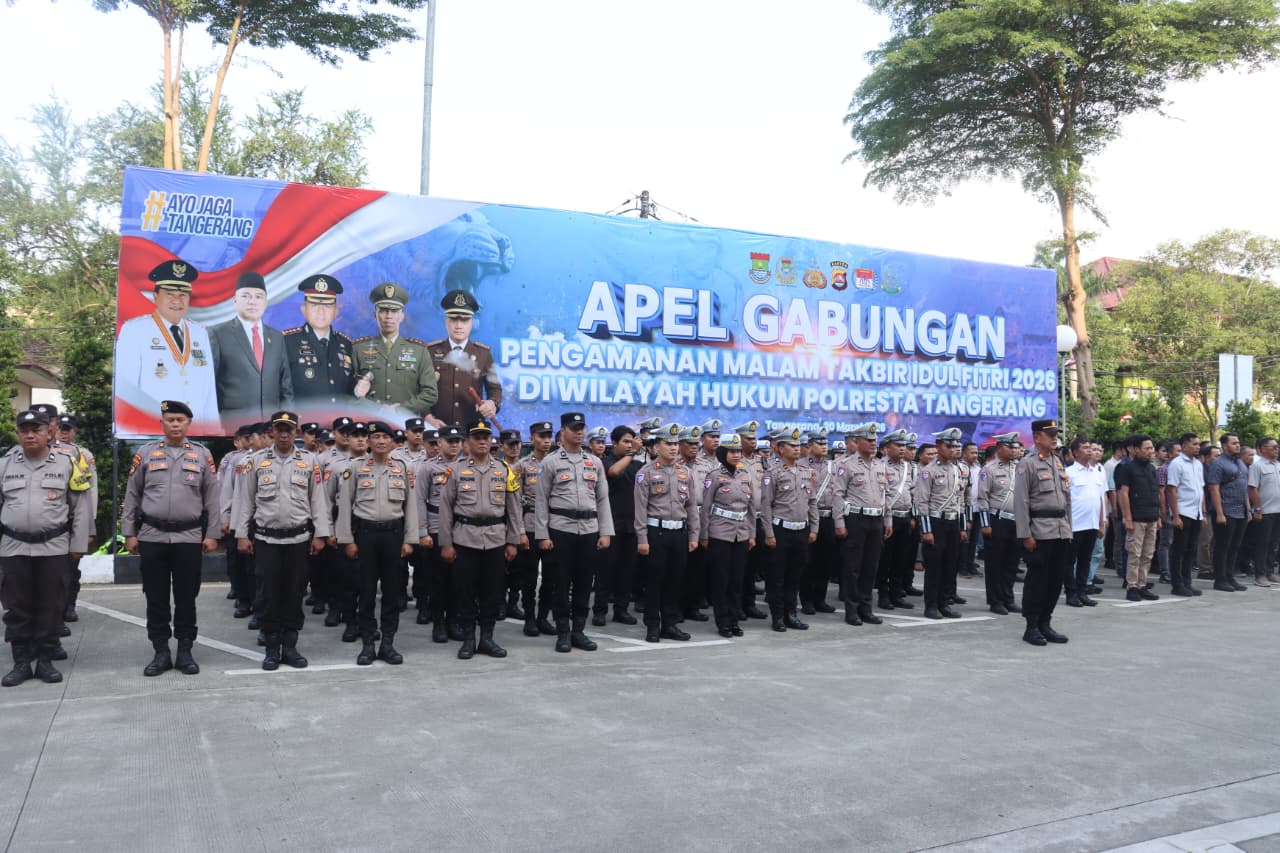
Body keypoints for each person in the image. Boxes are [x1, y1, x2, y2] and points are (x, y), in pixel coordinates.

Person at [121, 401, 221, 675]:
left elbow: (212, 498)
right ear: (161, 423)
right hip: (152, 536)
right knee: (156, 597)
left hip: (189, 537)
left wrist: (212, 534)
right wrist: (129, 532)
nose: (175, 424)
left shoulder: (202, 454)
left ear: (188, 423)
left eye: (180, 420)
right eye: (170, 420)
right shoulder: (146, 453)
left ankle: (185, 651)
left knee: (187, 596)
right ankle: (161, 652)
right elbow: (132, 494)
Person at [0, 410, 92, 686]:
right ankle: (21, 663)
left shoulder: (67, 463)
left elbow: (80, 507)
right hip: (13, 547)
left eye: (36, 430)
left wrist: (78, 544)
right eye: (24, 430)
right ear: (18, 433)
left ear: (48, 432)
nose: (30, 435)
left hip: (54, 547)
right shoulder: (4, 464)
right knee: (16, 607)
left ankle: (45, 661)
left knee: (51, 606)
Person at [233, 411, 329, 670]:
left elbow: (318, 500)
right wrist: (241, 534)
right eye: (280, 430)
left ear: (296, 432)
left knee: (294, 593)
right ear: (272, 433)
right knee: (268, 594)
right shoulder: (256, 461)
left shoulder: (309, 461)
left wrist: (321, 534)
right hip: (266, 540)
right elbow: (246, 501)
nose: (284, 435)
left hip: (298, 540)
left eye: (289, 430)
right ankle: (272, 648)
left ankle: (290, 646)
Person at [437, 419, 522, 659]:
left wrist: (513, 540)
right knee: (465, 592)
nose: (483, 441)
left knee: (492, 592)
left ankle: (487, 638)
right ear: (468, 442)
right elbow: (445, 508)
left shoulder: (504, 469)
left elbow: (514, 508)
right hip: (465, 539)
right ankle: (468, 640)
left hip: (495, 540)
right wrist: (446, 543)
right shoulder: (455, 470)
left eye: (486, 437)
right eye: (477, 437)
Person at [336, 420, 418, 665]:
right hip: (365, 536)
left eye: (385, 437)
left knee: (392, 593)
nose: (381, 441)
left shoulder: (402, 468)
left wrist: (410, 539)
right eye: (376, 437)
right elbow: (345, 506)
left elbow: (411, 506)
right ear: (369, 442)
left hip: (393, 536)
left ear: (392, 442)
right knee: (367, 592)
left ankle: (388, 644)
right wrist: (347, 540)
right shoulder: (355, 467)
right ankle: (368, 644)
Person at [533, 412, 614, 653]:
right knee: (561, 582)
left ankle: (578, 631)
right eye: (574, 428)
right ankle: (563, 632)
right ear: (563, 431)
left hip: (589, 530)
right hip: (561, 529)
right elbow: (541, 501)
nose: (579, 432)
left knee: (584, 582)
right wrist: (542, 535)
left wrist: (605, 532)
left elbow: (602, 499)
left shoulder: (594, 462)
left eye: (582, 428)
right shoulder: (551, 462)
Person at [113, 259, 219, 432]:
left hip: (195, 429)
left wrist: (213, 430)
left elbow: (209, 389)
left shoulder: (200, 333)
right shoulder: (135, 331)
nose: (177, 301)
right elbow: (126, 390)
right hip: (153, 429)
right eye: (169, 294)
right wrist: (129, 433)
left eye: (182, 295)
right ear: (155, 297)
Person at [633, 423, 700, 642]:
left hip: (679, 533)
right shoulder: (646, 472)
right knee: (655, 581)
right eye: (668, 443)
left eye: (675, 443)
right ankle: (653, 625)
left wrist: (694, 535)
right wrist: (642, 538)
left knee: (675, 580)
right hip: (656, 532)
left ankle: (670, 624)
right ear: (657, 446)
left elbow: (691, 506)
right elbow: (640, 509)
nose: (673, 448)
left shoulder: (685, 472)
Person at [209, 271, 294, 428]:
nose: (252, 301)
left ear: (265, 302)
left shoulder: (277, 337)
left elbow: (286, 386)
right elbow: (209, 386)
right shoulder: (218, 334)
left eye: (258, 297)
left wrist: (285, 423)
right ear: (235, 300)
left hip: (271, 428)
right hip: (233, 427)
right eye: (245, 296)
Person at [1013, 419, 1072, 646]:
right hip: (1039, 531)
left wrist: (1069, 529)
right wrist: (1025, 534)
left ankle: (1046, 622)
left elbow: (1066, 499)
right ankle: (1032, 626)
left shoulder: (1058, 462)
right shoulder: (1027, 464)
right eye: (1051, 434)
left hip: (1060, 530)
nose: (1055, 438)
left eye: (1056, 434)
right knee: (1037, 580)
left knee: (1055, 581)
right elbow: (1021, 502)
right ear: (1037, 437)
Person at [831, 423, 892, 627]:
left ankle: (866, 608)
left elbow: (886, 495)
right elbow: (838, 495)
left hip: (876, 520)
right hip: (856, 520)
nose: (873, 443)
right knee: (853, 567)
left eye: (875, 440)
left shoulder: (881, 465)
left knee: (870, 567)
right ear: (857, 442)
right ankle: (852, 609)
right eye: (869, 440)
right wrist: (839, 523)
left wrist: (888, 519)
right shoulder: (846, 465)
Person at [759, 427, 818, 633]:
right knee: (777, 576)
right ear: (781, 448)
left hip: (801, 530)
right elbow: (766, 505)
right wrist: (769, 533)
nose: (797, 449)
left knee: (795, 575)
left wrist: (814, 528)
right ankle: (777, 616)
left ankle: (791, 614)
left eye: (798, 445)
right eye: (792, 445)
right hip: (780, 531)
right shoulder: (772, 473)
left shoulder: (807, 472)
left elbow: (812, 502)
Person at [353, 283, 439, 420]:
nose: (389, 316)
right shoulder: (358, 349)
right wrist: (378, 410)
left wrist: (401, 409)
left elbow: (430, 394)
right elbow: (349, 393)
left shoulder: (419, 351)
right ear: (375, 315)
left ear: (402, 315)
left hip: (406, 424)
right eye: (383, 310)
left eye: (394, 311)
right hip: (370, 423)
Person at [413, 424, 466, 641]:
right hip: (435, 527)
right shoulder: (428, 468)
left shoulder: (467, 465)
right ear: (440, 443)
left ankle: (453, 621)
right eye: (449, 441)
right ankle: (438, 623)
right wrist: (422, 532)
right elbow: (419, 500)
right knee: (437, 579)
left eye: (457, 441)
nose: (454, 445)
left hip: (461, 528)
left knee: (458, 580)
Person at [700, 433, 756, 638]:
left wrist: (752, 533)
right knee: (721, 580)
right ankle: (723, 622)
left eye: (738, 451)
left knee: (737, 580)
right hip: (719, 533)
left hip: (741, 534)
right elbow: (706, 507)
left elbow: (751, 508)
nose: (736, 455)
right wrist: (704, 535)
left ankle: (734, 620)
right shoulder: (714, 476)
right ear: (723, 453)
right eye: (731, 451)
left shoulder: (745, 475)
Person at [426, 289, 501, 429]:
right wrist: (427, 417)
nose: (459, 325)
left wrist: (492, 403)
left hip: (472, 432)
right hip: (437, 430)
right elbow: (419, 390)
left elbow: (495, 389)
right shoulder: (430, 352)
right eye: (454, 319)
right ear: (446, 321)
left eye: (465, 320)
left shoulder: (483, 354)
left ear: (472, 322)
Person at [915, 428, 970, 619]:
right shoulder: (928, 471)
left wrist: (962, 526)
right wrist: (926, 530)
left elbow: (960, 500)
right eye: (949, 446)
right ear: (938, 447)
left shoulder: (957, 470)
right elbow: (922, 502)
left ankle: (944, 603)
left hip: (953, 522)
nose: (953, 449)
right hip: (936, 523)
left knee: (950, 566)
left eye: (955, 446)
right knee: (934, 567)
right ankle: (931, 606)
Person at [282, 274, 357, 405]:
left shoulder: (346, 344)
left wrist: (358, 389)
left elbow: (349, 390)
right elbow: (279, 391)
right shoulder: (286, 342)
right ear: (303, 309)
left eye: (327, 306)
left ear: (336, 311)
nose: (321, 311)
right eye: (314, 305)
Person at [52, 413, 97, 626]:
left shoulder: (82, 454)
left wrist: (89, 523)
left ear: (74, 431)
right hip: (52, 519)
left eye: (67, 429)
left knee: (71, 568)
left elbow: (91, 490)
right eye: (60, 428)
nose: (63, 432)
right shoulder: (47, 451)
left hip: (74, 520)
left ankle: (69, 605)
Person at [512, 421, 556, 637]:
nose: (546, 440)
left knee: (551, 575)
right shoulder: (521, 466)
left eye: (549, 436)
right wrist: (520, 531)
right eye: (541, 436)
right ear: (532, 438)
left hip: (552, 525)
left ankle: (543, 617)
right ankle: (529, 617)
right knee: (529, 576)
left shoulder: (557, 462)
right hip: (529, 524)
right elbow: (514, 501)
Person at [596, 425, 642, 626]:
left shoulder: (637, 465)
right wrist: (632, 454)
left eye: (632, 441)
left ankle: (621, 610)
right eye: (626, 441)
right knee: (606, 570)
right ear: (614, 443)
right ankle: (599, 610)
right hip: (610, 525)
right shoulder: (605, 461)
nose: (630, 445)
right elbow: (614, 472)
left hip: (632, 525)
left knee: (627, 571)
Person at [976, 431, 1025, 615]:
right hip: (997, 520)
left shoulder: (1020, 468)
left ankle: (1008, 598)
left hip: (1016, 521)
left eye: (1015, 447)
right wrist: (985, 524)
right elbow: (982, 498)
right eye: (1009, 447)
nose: (1013, 450)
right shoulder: (989, 469)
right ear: (999, 448)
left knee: (1012, 563)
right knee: (995, 563)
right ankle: (995, 601)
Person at [1116, 434, 1161, 601]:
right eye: (1147, 448)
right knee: (1134, 554)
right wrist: (1127, 518)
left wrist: (1158, 516)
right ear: (1135, 449)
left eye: (1152, 448)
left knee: (1148, 554)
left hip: (1151, 517)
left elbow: (1155, 493)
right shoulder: (1127, 468)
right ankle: (1132, 586)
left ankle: (1142, 585)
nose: (1151, 451)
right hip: (1136, 518)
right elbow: (1123, 493)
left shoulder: (1152, 468)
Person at [876, 429, 917, 610]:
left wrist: (913, 516)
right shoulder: (880, 466)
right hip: (888, 519)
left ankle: (896, 594)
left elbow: (913, 492)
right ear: (887, 448)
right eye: (898, 445)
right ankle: (883, 595)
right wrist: (887, 519)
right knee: (885, 559)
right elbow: (880, 494)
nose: (902, 449)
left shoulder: (909, 467)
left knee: (901, 559)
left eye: (904, 445)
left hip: (905, 517)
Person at [1063, 436, 1105, 608]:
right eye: (1085, 448)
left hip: (1092, 523)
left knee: (1085, 560)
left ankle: (1082, 592)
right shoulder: (1068, 473)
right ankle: (1071, 593)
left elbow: (1101, 499)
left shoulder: (1097, 472)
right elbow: (1064, 500)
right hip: (1075, 525)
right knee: (1069, 561)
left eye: (1090, 448)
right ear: (1075, 452)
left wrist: (1102, 522)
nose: (1089, 450)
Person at [1206, 432, 1251, 593]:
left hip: (1241, 511)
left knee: (1235, 546)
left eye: (1238, 442)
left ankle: (1230, 576)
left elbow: (1244, 487)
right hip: (1226, 511)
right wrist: (1219, 513)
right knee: (1222, 547)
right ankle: (1220, 579)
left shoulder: (1240, 463)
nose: (1237, 445)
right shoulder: (1218, 464)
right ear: (1225, 446)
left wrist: (1248, 509)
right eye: (1233, 443)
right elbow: (1214, 488)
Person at [801, 430, 839, 615]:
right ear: (809, 445)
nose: (824, 447)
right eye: (820, 443)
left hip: (828, 517)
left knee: (826, 560)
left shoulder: (833, 466)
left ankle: (820, 599)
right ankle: (807, 600)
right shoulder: (800, 465)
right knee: (809, 562)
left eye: (825, 443)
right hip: (808, 518)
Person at [1247, 437, 1280, 586]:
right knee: (1263, 544)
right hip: (1265, 511)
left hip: (1278, 510)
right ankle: (1260, 575)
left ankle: (1269, 572)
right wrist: (1258, 509)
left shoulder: (1278, 465)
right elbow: (1253, 488)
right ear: (1263, 449)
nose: (1276, 449)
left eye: (1277, 447)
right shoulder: (1257, 466)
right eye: (1273, 447)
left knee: (1273, 543)